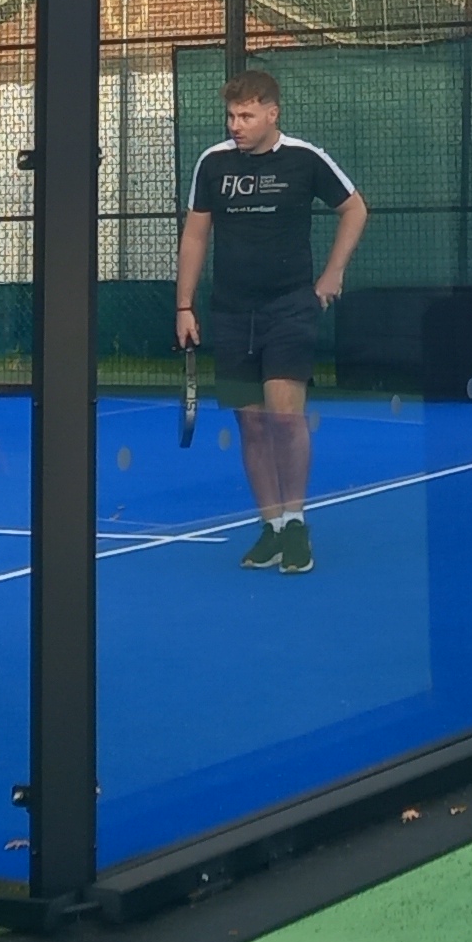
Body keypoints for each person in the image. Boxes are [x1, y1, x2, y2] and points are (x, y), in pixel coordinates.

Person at [173, 64, 363, 576]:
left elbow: (355, 209)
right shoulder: (212, 164)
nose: (235, 125)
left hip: (290, 307)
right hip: (232, 312)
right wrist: (184, 306)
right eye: (231, 116)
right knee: (252, 424)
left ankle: (296, 522)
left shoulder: (305, 159)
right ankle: (271, 525)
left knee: (284, 418)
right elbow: (195, 235)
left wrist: (333, 273)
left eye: (246, 116)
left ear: (272, 114)